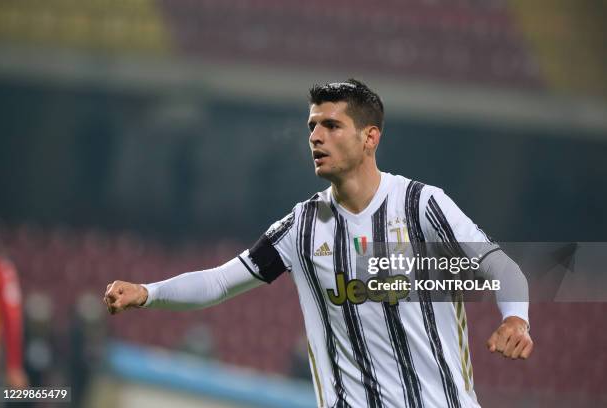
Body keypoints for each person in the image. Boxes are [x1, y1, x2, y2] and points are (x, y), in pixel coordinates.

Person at [105, 79, 533, 408]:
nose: (315, 136)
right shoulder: (303, 227)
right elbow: (220, 282)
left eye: (331, 125)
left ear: (370, 137)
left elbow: (500, 267)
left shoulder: (421, 205)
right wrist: (148, 293)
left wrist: (516, 319)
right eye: (312, 126)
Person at [0, 256, 28, 389]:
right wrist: (14, 365)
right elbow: (13, 319)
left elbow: (12, 319)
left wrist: (14, 364)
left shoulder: (2, 273)